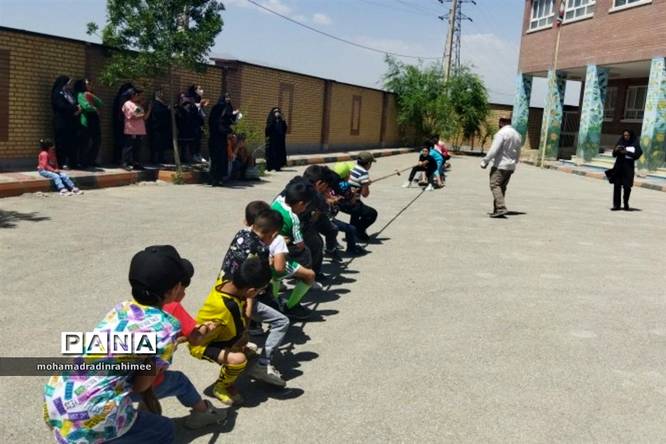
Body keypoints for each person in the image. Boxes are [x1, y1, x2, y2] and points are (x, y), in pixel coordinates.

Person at [43, 245, 227, 443]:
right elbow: (141, 385)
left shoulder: (121, 308)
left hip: (56, 396)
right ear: (174, 289)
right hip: (90, 411)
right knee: (164, 430)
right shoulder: (166, 328)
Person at [189, 256, 272, 405]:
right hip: (201, 344)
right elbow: (242, 331)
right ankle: (221, 386)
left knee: (242, 344)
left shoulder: (225, 281)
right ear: (251, 290)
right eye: (261, 290)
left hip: (215, 333)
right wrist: (239, 343)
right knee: (239, 359)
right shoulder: (228, 307)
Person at [272, 179, 322, 319]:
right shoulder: (293, 218)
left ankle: (274, 300)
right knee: (309, 274)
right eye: (306, 206)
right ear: (300, 204)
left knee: (276, 277)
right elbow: (299, 243)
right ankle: (291, 306)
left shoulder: (277, 202)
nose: (305, 209)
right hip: (277, 255)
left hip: (268, 248)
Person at [480, 117, 522, 218]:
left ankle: (501, 207)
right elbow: (518, 151)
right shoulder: (517, 135)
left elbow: (494, 150)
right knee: (501, 187)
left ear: (501, 122)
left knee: (494, 185)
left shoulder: (501, 133)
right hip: (510, 166)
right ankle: (497, 210)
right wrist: (515, 162)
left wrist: (485, 161)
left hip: (500, 165)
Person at [340, 152, 378, 242]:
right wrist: (366, 185)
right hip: (351, 202)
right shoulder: (364, 173)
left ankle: (351, 235)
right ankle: (358, 231)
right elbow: (365, 194)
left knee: (356, 213)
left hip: (343, 200)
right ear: (368, 163)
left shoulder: (353, 168)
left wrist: (364, 183)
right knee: (372, 214)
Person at [51, 76, 82, 169]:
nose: (69, 85)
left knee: (72, 143)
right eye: (68, 83)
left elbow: (74, 103)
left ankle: (73, 162)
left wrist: (77, 109)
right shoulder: (58, 93)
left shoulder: (69, 93)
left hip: (72, 121)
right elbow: (61, 106)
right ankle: (61, 162)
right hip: (61, 122)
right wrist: (75, 108)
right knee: (61, 143)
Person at [208, 93, 239, 186]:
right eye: (226, 97)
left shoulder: (228, 108)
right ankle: (214, 179)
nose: (228, 99)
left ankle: (220, 179)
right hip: (215, 137)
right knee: (215, 159)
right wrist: (225, 129)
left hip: (222, 139)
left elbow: (229, 121)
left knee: (222, 159)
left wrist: (234, 115)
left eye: (229, 97)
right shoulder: (217, 108)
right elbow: (214, 122)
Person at [610, 129, 643, 211]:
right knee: (617, 186)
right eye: (624, 135)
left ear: (630, 136)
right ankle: (616, 205)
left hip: (628, 168)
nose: (626, 137)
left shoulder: (634, 143)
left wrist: (626, 152)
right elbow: (614, 155)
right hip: (618, 167)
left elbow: (637, 155)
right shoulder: (620, 142)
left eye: (627, 135)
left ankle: (626, 203)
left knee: (627, 186)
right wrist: (616, 150)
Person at [73, 79, 103, 170]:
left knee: (97, 141)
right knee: (84, 143)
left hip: (94, 121)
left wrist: (91, 95)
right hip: (86, 121)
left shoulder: (89, 94)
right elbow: (86, 106)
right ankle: (83, 162)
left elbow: (100, 103)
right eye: (87, 84)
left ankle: (91, 160)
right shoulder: (80, 94)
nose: (89, 85)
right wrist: (95, 108)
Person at [121, 88, 150, 171]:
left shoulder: (137, 104)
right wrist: (141, 107)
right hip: (132, 129)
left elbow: (143, 116)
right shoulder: (128, 104)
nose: (140, 97)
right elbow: (135, 115)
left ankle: (136, 163)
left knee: (137, 147)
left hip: (139, 130)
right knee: (129, 147)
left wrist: (147, 109)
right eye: (138, 95)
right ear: (132, 95)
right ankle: (125, 163)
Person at [147, 89, 173, 165]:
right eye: (160, 93)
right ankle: (154, 159)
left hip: (163, 127)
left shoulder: (163, 103)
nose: (162, 94)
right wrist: (167, 109)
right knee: (155, 144)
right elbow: (158, 112)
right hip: (156, 127)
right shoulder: (154, 103)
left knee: (162, 144)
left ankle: (161, 158)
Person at [113, 82, 136, 164]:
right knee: (125, 143)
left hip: (120, 123)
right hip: (124, 124)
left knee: (122, 142)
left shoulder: (120, 98)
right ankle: (123, 160)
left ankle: (120, 159)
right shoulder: (124, 99)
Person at [186, 84, 208, 164]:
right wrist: (199, 105)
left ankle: (198, 154)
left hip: (199, 123)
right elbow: (191, 109)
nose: (201, 90)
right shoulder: (191, 98)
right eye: (199, 89)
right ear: (195, 90)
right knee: (194, 140)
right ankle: (193, 155)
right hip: (193, 123)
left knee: (199, 139)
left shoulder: (199, 98)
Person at [265, 106, 288, 172]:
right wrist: (274, 120)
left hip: (279, 140)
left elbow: (284, 129)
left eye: (278, 111)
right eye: (275, 111)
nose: (277, 113)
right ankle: (270, 167)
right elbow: (268, 129)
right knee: (271, 154)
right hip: (272, 140)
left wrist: (283, 120)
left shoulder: (281, 120)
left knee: (279, 154)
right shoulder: (270, 119)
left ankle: (278, 167)